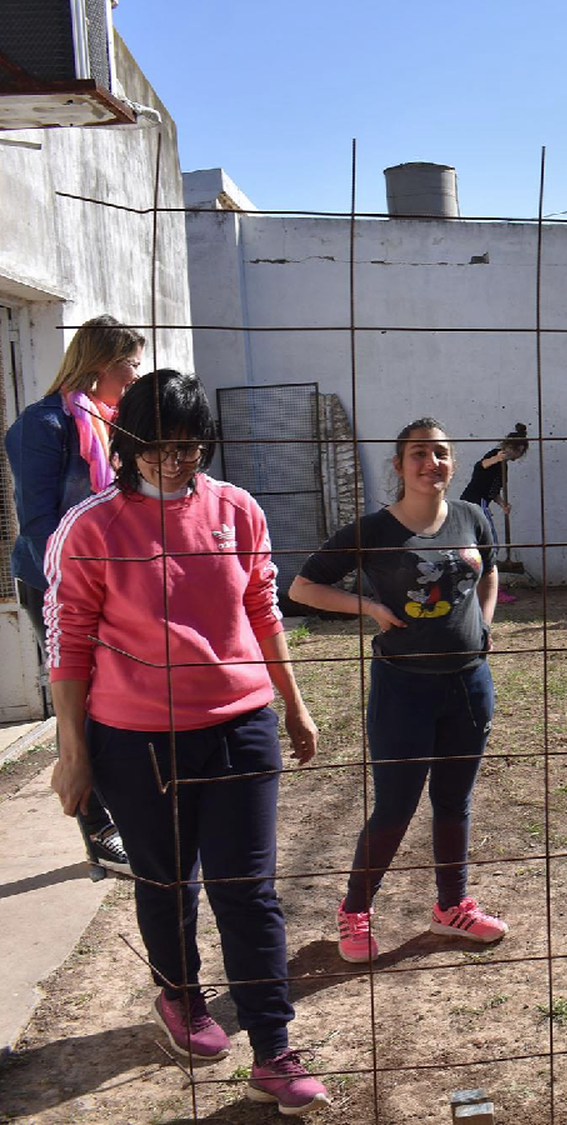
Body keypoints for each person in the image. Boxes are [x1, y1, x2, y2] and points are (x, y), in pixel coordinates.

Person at [45, 370, 329, 1114]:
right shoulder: (92, 526)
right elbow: (67, 642)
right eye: (159, 446)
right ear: (130, 442)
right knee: (170, 883)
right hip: (134, 742)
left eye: (190, 445)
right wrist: (73, 754)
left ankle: (274, 1046)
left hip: (240, 726)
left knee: (250, 892)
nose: (175, 460)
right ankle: (180, 995)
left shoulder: (236, 509)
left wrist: (293, 707)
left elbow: (264, 609)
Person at [289, 417, 509, 966]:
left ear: (453, 463)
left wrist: (483, 624)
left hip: (468, 685)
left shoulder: (472, 517)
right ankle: (355, 908)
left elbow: (489, 572)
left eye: (440, 453)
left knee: (454, 801)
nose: (430, 462)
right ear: (399, 464)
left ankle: (452, 906)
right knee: (394, 806)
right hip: (403, 688)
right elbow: (301, 587)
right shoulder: (372, 530)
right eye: (418, 453)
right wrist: (369, 607)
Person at [5, 314, 144, 876]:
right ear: (101, 363)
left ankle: (124, 813)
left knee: (112, 698)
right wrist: (76, 590)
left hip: (107, 582)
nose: (136, 377)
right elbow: (38, 521)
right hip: (56, 584)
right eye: (131, 365)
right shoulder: (43, 425)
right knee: (79, 705)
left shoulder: (110, 424)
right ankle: (101, 831)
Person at [458, 422, 529, 604]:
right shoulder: (494, 457)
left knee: (475, 546)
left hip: (478, 501)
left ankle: (474, 586)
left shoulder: (504, 466)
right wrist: (496, 458)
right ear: (519, 448)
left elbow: (491, 490)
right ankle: (491, 589)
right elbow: (480, 466)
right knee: (491, 546)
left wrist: (502, 504)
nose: (519, 456)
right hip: (475, 502)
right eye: (521, 452)